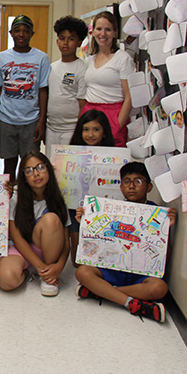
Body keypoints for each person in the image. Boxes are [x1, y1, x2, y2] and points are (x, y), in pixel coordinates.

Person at [74, 162, 177, 323]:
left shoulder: (158, 215)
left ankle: (103, 292)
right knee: (82, 272)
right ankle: (130, 303)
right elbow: (95, 243)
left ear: (149, 187)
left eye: (138, 181)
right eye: (127, 182)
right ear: (121, 187)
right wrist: (85, 221)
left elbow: (164, 258)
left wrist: (166, 230)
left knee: (159, 288)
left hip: (141, 275)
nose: (131, 186)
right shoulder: (109, 208)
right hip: (112, 269)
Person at [0, 151, 69, 296]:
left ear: (49, 169)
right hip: (18, 248)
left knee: (51, 219)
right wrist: (40, 268)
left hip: (45, 249)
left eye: (40, 167)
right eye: (29, 171)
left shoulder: (58, 199)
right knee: (7, 281)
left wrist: (58, 267)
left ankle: (48, 276)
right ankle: (34, 270)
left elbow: (66, 242)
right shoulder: (15, 198)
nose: (36, 174)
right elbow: (17, 238)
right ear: (24, 177)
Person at [0, 15, 51, 181]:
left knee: (30, 165)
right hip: (7, 119)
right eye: (17, 30)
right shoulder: (0, 58)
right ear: (11, 33)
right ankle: (8, 198)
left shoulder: (41, 58)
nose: (21, 34)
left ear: (32, 33)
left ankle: (27, 200)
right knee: (8, 163)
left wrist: (41, 121)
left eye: (26, 31)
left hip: (31, 120)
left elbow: (43, 90)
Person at [66, 109, 114, 264]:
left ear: (104, 132)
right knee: (77, 262)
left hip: (103, 209)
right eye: (85, 130)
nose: (90, 134)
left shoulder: (114, 156)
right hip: (76, 208)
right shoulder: (71, 155)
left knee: (101, 257)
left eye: (96, 129)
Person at [81, 11, 134, 147]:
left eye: (108, 29)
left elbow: (129, 96)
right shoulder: (90, 59)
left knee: (111, 160)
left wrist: (117, 125)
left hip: (113, 114)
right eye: (99, 29)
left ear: (115, 33)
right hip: (90, 114)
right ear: (92, 32)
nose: (102, 34)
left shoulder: (122, 58)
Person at [46, 16, 88, 154]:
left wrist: (80, 129)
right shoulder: (51, 67)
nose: (65, 43)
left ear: (79, 42)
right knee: (52, 166)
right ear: (57, 41)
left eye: (71, 39)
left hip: (71, 129)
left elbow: (82, 103)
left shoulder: (81, 68)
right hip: (51, 127)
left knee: (68, 169)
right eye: (62, 38)